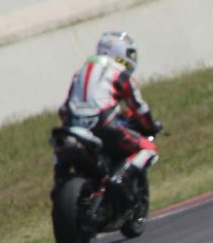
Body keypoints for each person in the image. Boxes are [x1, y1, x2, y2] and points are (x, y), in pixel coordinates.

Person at [57, 31, 163, 204]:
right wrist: (150, 125)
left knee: (60, 151)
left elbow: (63, 109)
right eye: (129, 54)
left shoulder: (80, 72)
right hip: (103, 125)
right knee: (148, 149)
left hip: (72, 127)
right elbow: (138, 106)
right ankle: (120, 178)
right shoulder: (119, 72)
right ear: (118, 53)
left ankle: (60, 182)